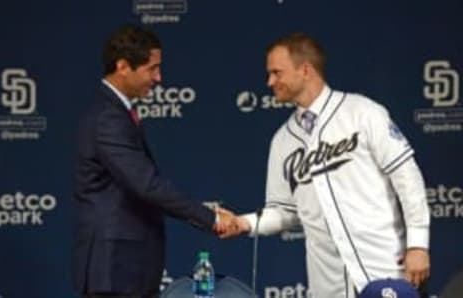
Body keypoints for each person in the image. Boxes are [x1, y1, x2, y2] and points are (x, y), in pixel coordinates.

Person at [220, 32, 430, 298]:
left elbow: (407, 177)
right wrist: (243, 223)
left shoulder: (362, 112)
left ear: (304, 70)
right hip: (328, 284)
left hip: (385, 267)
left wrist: (418, 245)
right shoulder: (283, 140)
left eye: (276, 72)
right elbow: (284, 212)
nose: (270, 81)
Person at [72, 24, 235, 298]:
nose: (158, 77)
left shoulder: (115, 112)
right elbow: (146, 184)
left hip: (124, 266)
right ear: (123, 66)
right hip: (114, 268)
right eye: (151, 68)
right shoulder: (108, 119)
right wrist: (211, 218)